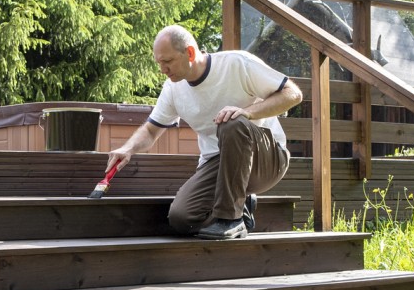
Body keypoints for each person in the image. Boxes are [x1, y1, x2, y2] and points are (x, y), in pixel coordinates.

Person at [105, 25, 303, 240]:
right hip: (219, 163)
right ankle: (241, 207)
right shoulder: (173, 89)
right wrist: (128, 148)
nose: (162, 69)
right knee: (182, 218)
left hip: (266, 159)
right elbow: (152, 131)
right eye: (159, 62)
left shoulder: (236, 63)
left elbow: (293, 94)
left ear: (189, 52)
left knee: (232, 121)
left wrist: (247, 113)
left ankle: (231, 220)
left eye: (168, 61)